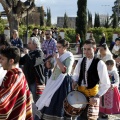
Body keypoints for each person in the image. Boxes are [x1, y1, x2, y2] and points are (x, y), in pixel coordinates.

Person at [36, 39, 74, 120]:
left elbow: (65, 71)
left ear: (64, 47)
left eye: (59, 47)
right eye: (57, 47)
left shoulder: (69, 56)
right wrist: (49, 64)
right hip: (53, 80)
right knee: (48, 98)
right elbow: (53, 67)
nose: (57, 49)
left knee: (58, 101)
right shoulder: (58, 55)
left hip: (62, 82)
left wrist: (57, 59)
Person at [72, 40, 110, 120]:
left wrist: (96, 96)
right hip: (80, 95)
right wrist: (74, 81)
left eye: (89, 49)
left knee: (90, 118)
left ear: (95, 49)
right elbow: (76, 74)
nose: (86, 51)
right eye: (84, 49)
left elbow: (106, 84)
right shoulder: (81, 60)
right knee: (79, 117)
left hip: (92, 96)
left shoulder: (100, 63)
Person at [0, 46, 33, 119]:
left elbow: (3, 104)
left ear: (11, 61)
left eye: (3, 59)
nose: (0, 61)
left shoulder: (14, 77)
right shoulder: (18, 73)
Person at [19, 37, 45, 102]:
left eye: (30, 43)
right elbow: (21, 61)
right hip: (28, 79)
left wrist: (27, 54)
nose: (28, 44)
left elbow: (33, 63)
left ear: (35, 45)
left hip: (35, 80)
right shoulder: (30, 53)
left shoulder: (40, 53)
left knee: (37, 99)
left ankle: (40, 112)